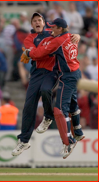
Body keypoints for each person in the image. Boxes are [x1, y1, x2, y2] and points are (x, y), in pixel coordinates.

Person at [12, 13, 80, 157]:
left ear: (44, 22)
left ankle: (48, 116)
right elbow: (35, 53)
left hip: (51, 72)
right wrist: (34, 53)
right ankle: (24, 140)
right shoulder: (30, 38)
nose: (37, 22)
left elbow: (65, 36)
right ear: (31, 25)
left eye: (39, 20)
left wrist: (77, 36)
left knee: (46, 90)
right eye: (34, 21)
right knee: (29, 105)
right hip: (36, 73)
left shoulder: (53, 32)